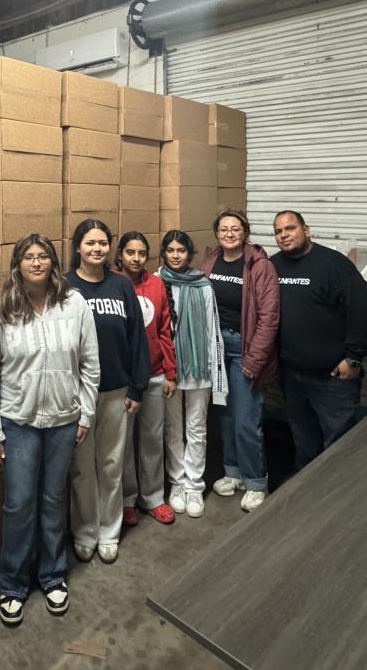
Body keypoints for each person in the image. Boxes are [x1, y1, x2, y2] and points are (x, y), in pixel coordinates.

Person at [0, 234, 100, 628]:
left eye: (42, 256)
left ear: (53, 261)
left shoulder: (74, 303)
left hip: (64, 421)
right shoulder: (1, 307)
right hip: (18, 423)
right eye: (28, 256)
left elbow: (90, 364)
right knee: (19, 503)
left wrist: (85, 414)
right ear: (17, 263)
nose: (36, 262)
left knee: (53, 500)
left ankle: (53, 575)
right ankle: (13, 584)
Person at [66, 219, 150, 564]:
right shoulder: (65, 286)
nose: (97, 249)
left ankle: (109, 532)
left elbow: (137, 338)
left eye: (102, 243)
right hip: (78, 394)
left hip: (117, 390)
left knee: (112, 463)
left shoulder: (121, 285)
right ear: (78, 247)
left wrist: (137, 387)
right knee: (82, 467)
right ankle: (85, 531)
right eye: (90, 243)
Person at [270, 210, 367, 468]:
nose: (284, 235)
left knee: (339, 448)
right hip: (291, 376)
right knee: (304, 443)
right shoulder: (272, 266)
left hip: (333, 378)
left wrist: (353, 358)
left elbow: (363, 313)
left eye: (290, 228)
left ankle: (338, 491)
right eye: (278, 231)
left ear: (306, 230)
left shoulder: (334, 264)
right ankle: (305, 489)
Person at [201, 209, 280, 513]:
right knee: (225, 415)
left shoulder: (260, 265)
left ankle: (256, 481)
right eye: (224, 229)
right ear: (217, 233)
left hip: (242, 348)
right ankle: (233, 472)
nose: (229, 233)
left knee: (246, 418)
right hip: (215, 347)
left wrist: (255, 358)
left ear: (245, 232)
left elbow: (269, 317)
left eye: (235, 228)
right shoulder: (211, 261)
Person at [157, 230, 227, 519]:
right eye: (171, 250)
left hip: (199, 369)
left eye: (181, 250)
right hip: (169, 370)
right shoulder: (157, 281)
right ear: (164, 253)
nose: (176, 255)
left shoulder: (203, 285)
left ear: (189, 254)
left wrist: (216, 372)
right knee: (173, 429)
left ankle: (195, 485)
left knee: (197, 429)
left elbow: (213, 329)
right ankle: (177, 482)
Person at [115, 232, 177, 527]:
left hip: (154, 375)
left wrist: (170, 372)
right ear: (120, 255)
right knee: (124, 442)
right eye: (130, 252)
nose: (136, 258)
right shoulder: (113, 284)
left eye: (141, 253)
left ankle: (152, 497)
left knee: (152, 438)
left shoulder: (156, 284)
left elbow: (165, 329)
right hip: (125, 380)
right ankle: (128, 499)